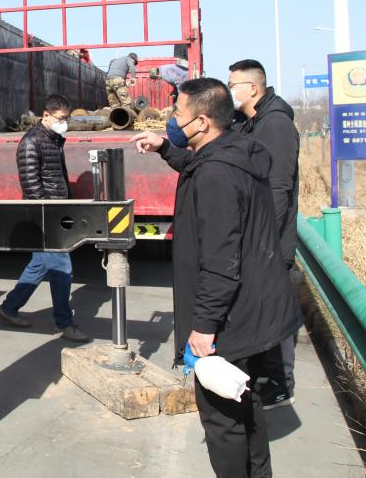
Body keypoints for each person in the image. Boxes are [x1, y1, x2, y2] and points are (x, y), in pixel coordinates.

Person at [128, 78, 301, 478]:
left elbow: (221, 261)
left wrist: (204, 326)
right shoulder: (235, 150)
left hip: (230, 318)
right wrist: (165, 148)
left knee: (222, 420)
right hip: (255, 307)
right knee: (245, 400)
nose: (172, 120)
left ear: (202, 122)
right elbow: (197, 163)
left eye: (178, 114)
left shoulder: (216, 176)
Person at [228, 59, 301, 410]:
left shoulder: (276, 125)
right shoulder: (251, 122)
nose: (230, 91)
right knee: (260, 308)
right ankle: (263, 373)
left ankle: (281, 383)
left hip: (270, 239)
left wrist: (264, 237)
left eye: (233, 86)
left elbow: (278, 188)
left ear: (253, 89)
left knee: (274, 311)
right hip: (257, 235)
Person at [0, 94, 89, 343]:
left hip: (56, 210)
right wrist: (47, 214)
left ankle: (8, 309)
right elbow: (30, 184)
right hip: (45, 215)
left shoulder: (53, 138)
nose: (64, 123)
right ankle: (64, 323)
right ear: (46, 115)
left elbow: (57, 175)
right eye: (60, 118)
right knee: (62, 267)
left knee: (39, 265)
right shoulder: (31, 142)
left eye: (66, 119)